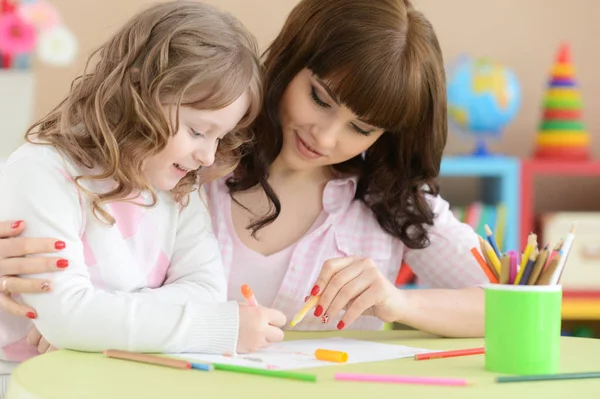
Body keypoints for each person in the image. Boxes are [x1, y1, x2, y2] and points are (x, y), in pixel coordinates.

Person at [2, 0, 487, 350]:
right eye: (319, 98)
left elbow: (519, 305)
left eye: (361, 128)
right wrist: (72, 313)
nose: (327, 136)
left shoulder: (390, 198)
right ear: (294, 61)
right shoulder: (189, 163)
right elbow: (81, 244)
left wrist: (398, 304)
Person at [0, 2, 285, 396]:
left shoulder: (180, 187)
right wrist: (220, 327)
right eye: (198, 131)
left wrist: (92, 324)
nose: (207, 155)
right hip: (26, 378)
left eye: (220, 137)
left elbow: (204, 290)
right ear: (138, 92)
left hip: (124, 372)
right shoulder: (43, 170)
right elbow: (67, 316)